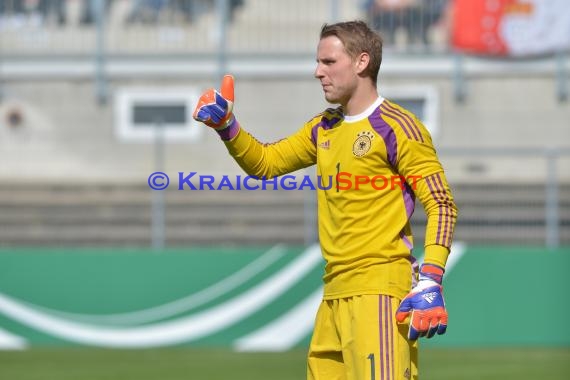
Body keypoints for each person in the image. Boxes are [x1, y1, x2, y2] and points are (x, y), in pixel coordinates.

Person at [193, 20, 457, 380]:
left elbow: (441, 203)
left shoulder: (397, 127)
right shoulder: (324, 127)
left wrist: (431, 277)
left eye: (328, 62)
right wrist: (228, 127)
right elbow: (266, 164)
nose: (318, 72)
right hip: (333, 292)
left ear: (361, 62)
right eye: (318, 63)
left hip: (379, 291)